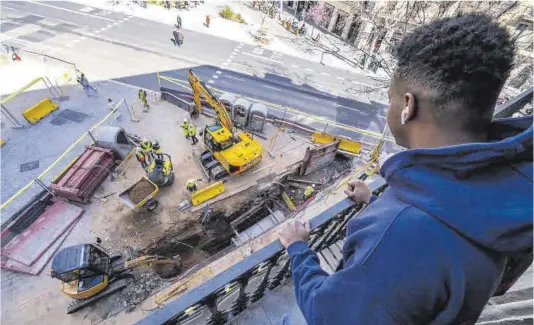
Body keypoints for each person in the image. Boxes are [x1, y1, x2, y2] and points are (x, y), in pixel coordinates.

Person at [278, 13, 533, 325]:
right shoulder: (509, 189)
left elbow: (326, 314)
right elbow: (446, 229)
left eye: (390, 100)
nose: (389, 108)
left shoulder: (397, 234)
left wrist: (298, 247)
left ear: (408, 106)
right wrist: (374, 203)